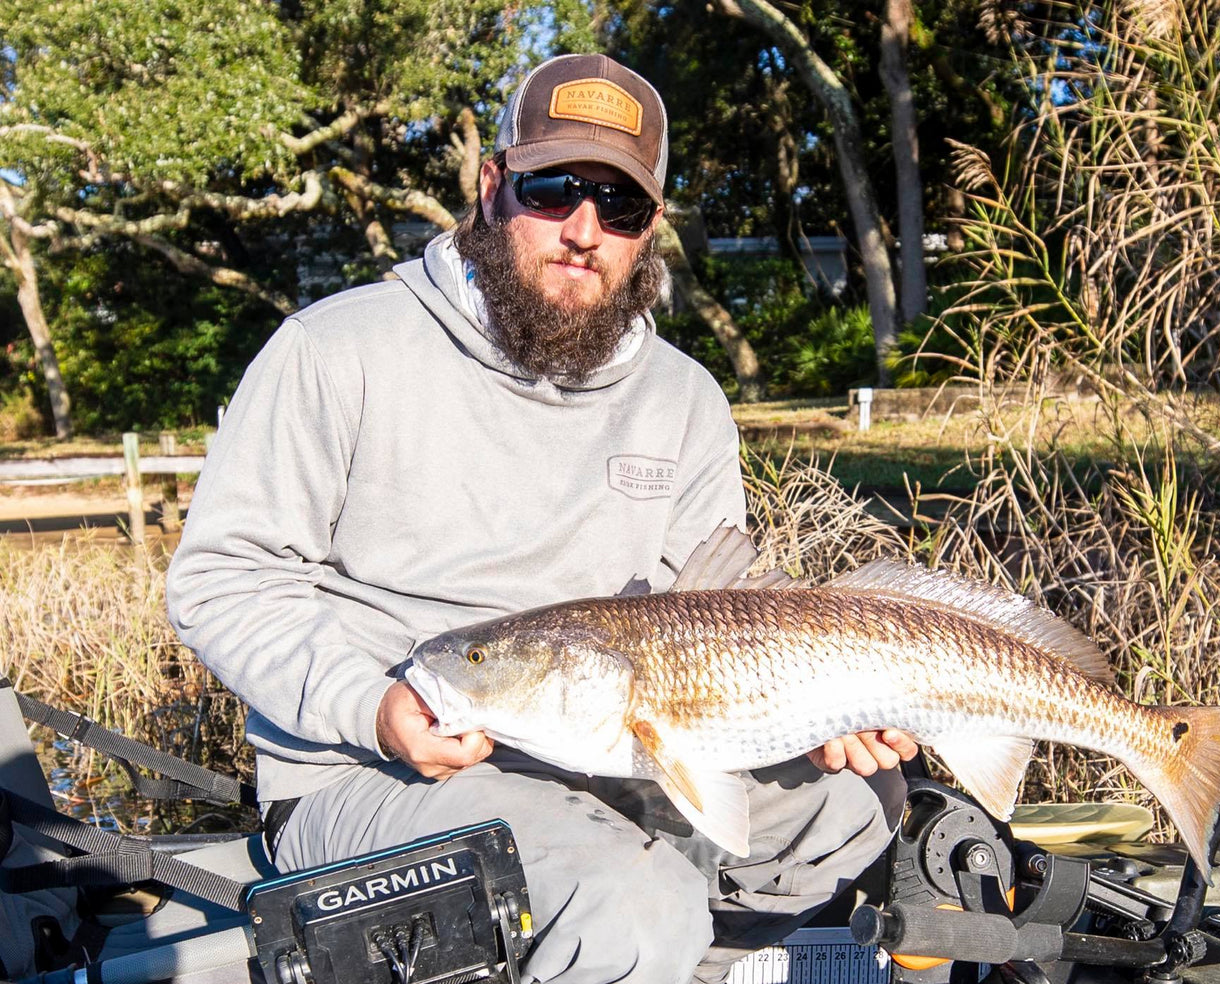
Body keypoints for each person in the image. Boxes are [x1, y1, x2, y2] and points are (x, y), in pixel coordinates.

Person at [167, 53, 915, 984]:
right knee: (627, 900)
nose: (582, 229)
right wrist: (374, 706)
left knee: (859, 802)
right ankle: (629, 929)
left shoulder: (686, 399)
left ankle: (663, 954)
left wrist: (810, 714)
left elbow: (717, 621)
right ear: (492, 189)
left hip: (609, 752)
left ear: (650, 232)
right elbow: (219, 579)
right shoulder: (337, 351)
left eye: (621, 205)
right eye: (552, 189)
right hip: (370, 771)